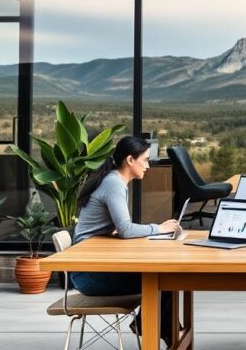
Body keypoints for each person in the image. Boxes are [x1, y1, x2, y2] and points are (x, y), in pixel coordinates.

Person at [71, 136, 180, 345]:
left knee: (166, 275)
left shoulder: (114, 180)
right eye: (146, 160)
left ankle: (157, 329)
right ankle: (159, 331)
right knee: (166, 278)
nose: (148, 166)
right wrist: (160, 228)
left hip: (92, 266)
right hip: (88, 274)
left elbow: (119, 231)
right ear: (130, 160)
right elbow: (126, 229)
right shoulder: (114, 183)